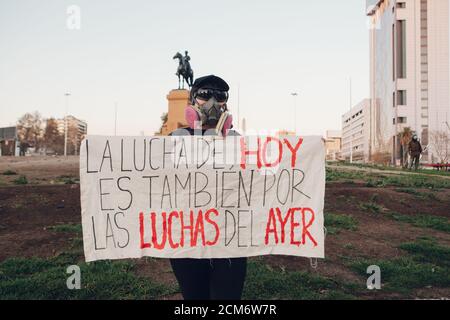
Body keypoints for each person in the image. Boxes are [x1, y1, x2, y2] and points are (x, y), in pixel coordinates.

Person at [169, 75, 247, 300]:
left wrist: (305, 156)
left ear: (226, 104)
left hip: (230, 240)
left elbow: (261, 179)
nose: (213, 101)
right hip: (187, 240)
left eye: (220, 96)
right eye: (205, 95)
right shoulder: (174, 138)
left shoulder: (237, 140)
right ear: (193, 101)